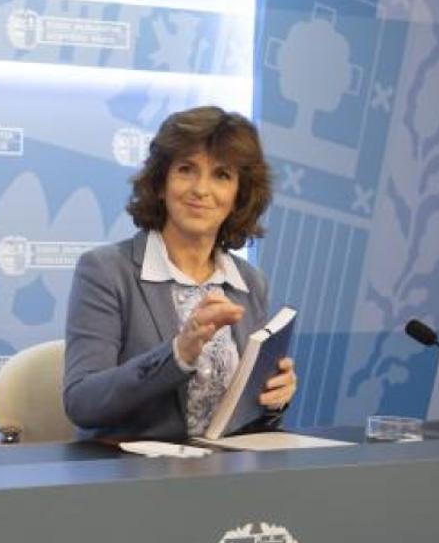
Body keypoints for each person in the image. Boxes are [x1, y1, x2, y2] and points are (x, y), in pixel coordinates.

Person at [63, 106, 296, 440]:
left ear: (239, 196)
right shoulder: (106, 271)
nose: (201, 189)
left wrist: (274, 396)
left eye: (221, 175)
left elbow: (246, 415)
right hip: (134, 468)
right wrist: (178, 354)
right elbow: (82, 402)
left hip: (227, 467)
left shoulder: (249, 282)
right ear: (161, 183)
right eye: (186, 170)